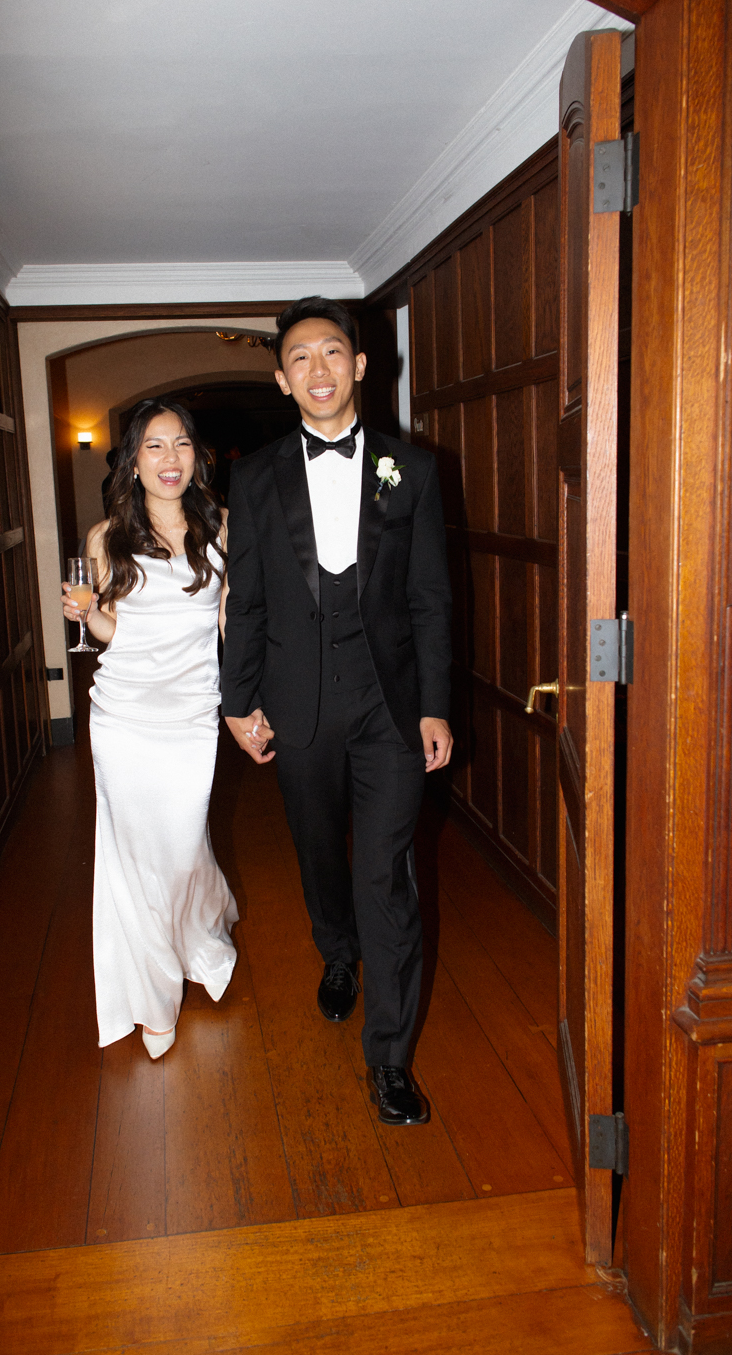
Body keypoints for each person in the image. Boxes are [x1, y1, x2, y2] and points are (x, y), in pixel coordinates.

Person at [221, 296, 452, 1124]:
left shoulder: (411, 470)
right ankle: (336, 952)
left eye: (331, 353)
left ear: (360, 365)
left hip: (389, 710)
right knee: (320, 855)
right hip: (296, 707)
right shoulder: (252, 477)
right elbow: (245, 600)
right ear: (283, 381)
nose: (317, 370)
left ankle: (389, 1058)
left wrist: (434, 706)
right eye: (299, 359)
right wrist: (236, 704)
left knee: (385, 875)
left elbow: (429, 600)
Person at [63, 399, 237, 1059]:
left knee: (183, 844)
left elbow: (228, 624)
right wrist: (86, 614)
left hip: (193, 716)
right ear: (133, 461)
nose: (171, 458)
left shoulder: (220, 526)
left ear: (197, 458)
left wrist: (247, 699)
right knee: (137, 860)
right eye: (155, 446)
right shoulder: (104, 537)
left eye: (182, 444)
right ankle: (154, 997)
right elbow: (111, 632)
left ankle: (199, 927)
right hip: (124, 718)